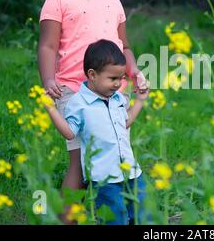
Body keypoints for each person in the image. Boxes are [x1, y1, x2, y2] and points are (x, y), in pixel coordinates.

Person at [37, 0, 148, 223]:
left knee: (114, 158)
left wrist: (133, 71)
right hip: (74, 90)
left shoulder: (113, 0)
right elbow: (47, 45)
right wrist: (49, 80)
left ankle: (118, 215)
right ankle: (68, 220)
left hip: (113, 91)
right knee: (80, 163)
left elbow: (124, 46)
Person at [44, 39, 148, 225]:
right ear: (92, 75)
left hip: (131, 172)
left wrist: (139, 102)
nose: (118, 84)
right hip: (104, 179)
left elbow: (124, 123)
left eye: (121, 78)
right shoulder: (78, 104)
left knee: (145, 216)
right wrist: (51, 109)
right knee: (115, 219)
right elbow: (69, 133)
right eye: (113, 79)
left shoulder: (116, 98)